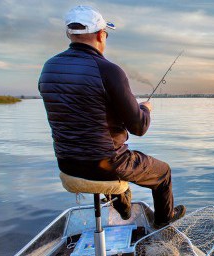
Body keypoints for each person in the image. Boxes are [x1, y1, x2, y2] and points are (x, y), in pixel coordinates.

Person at [38, 5, 185, 228]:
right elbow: (139, 127)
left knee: (113, 158)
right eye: (106, 34)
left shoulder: (49, 68)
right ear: (100, 34)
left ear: (70, 34)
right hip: (106, 165)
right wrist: (145, 109)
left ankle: (122, 202)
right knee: (163, 172)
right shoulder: (108, 70)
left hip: (67, 164)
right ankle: (163, 223)